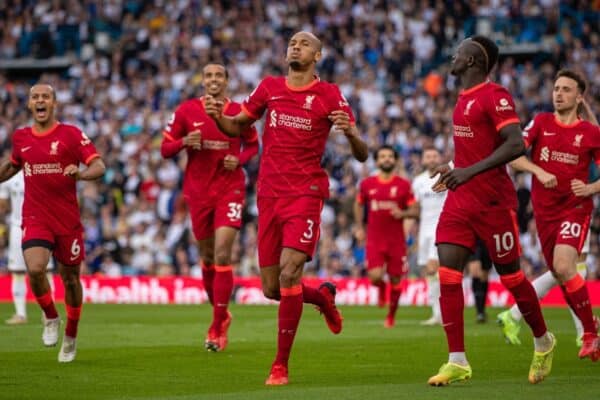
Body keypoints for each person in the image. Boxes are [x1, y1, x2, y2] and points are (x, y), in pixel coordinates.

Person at [205, 31, 368, 385]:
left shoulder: (329, 95)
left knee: (290, 272)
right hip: (269, 195)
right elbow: (237, 125)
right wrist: (219, 117)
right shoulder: (269, 88)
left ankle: (280, 365)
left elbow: (362, 153)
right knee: (272, 288)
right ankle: (322, 298)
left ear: (318, 56)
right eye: (292, 42)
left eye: (304, 43)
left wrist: (352, 135)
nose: (295, 46)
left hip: (305, 194)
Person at [427, 36, 555, 386]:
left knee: (511, 277)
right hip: (460, 200)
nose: (453, 56)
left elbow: (515, 144)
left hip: (493, 202)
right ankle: (457, 360)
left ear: (472, 61)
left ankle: (543, 340)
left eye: (459, 52)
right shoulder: (462, 98)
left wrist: (467, 172)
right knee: (448, 271)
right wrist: (452, 166)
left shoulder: (495, 95)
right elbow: (475, 149)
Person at [498, 69, 600, 360]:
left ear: (579, 97)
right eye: (556, 88)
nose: (558, 93)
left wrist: (591, 187)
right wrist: (538, 170)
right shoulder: (541, 122)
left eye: (566, 89)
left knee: (565, 266)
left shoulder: (590, 133)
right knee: (559, 271)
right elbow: (515, 156)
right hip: (544, 213)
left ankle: (589, 335)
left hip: (575, 208)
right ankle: (592, 328)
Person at [0, 83, 105, 362]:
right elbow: (13, 165)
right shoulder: (21, 137)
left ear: (54, 103)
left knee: (70, 279)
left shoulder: (70, 135)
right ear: (30, 104)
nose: (40, 100)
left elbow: (99, 165)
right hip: (35, 217)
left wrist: (80, 175)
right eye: (35, 96)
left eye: (45, 96)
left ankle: (70, 336)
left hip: (67, 220)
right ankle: (50, 316)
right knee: (35, 268)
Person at [160, 63, 259, 352]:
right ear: (203, 81)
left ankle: (217, 326)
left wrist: (239, 160)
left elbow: (253, 146)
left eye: (219, 75)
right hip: (198, 193)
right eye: (209, 75)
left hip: (230, 190)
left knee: (222, 253)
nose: (213, 80)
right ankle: (222, 314)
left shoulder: (240, 111)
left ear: (226, 81)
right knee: (206, 257)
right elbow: (165, 149)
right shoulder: (186, 111)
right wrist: (182, 142)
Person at [354, 145, 418, 328]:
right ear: (377, 161)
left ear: (395, 160)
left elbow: (415, 210)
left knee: (396, 279)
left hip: (396, 239)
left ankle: (391, 316)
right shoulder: (367, 184)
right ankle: (381, 287)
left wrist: (403, 214)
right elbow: (358, 204)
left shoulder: (404, 185)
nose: (386, 159)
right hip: (374, 238)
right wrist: (359, 227)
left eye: (390, 156)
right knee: (374, 276)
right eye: (382, 156)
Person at [0, 171, 53, 325]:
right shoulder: (10, 175)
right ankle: (20, 314)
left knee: (45, 270)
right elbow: (3, 203)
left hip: (41, 225)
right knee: (17, 270)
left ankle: (48, 313)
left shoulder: (42, 171)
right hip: (17, 226)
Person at [411, 146, 446, 326]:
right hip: (424, 230)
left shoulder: (446, 177)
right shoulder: (418, 181)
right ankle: (437, 313)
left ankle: (440, 313)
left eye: (434, 156)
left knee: (433, 268)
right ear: (424, 160)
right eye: (428, 156)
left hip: (442, 228)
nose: (431, 159)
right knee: (429, 271)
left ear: (439, 158)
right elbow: (416, 208)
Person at [468, 240, 492, 323]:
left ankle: (481, 310)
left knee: (484, 276)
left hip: (486, 242)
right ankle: (479, 312)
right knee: (475, 273)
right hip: (474, 242)